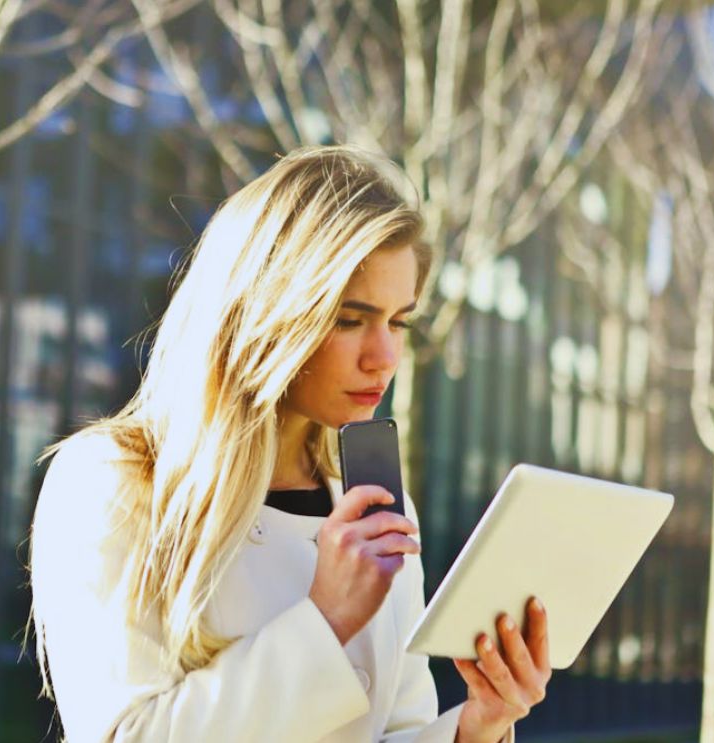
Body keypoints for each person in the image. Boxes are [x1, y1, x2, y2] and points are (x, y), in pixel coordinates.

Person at [28, 145, 551, 742]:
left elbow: (396, 727)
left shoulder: (376, 506)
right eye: (350, 319)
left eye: (398, 321)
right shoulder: (114, 482)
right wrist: (325, 622)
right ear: (271, 313)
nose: (383, 357)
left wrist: (477, 727)